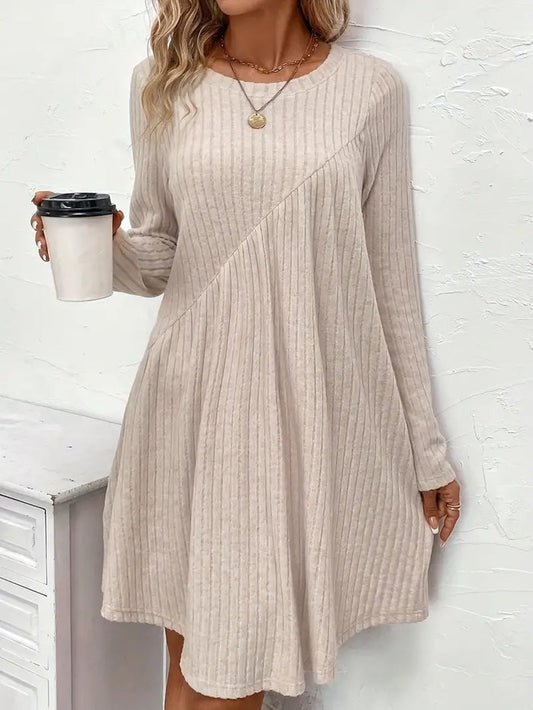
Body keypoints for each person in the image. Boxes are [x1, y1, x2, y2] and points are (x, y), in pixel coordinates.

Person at [30, 1, 461, 709]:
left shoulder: (370, 90)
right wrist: (102, 248)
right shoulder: (162, 83)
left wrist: (426, 451)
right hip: (190, 406)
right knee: (188, 672)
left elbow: (390, 280)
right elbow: (163, 253)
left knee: (225, 675)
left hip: (296, 419)